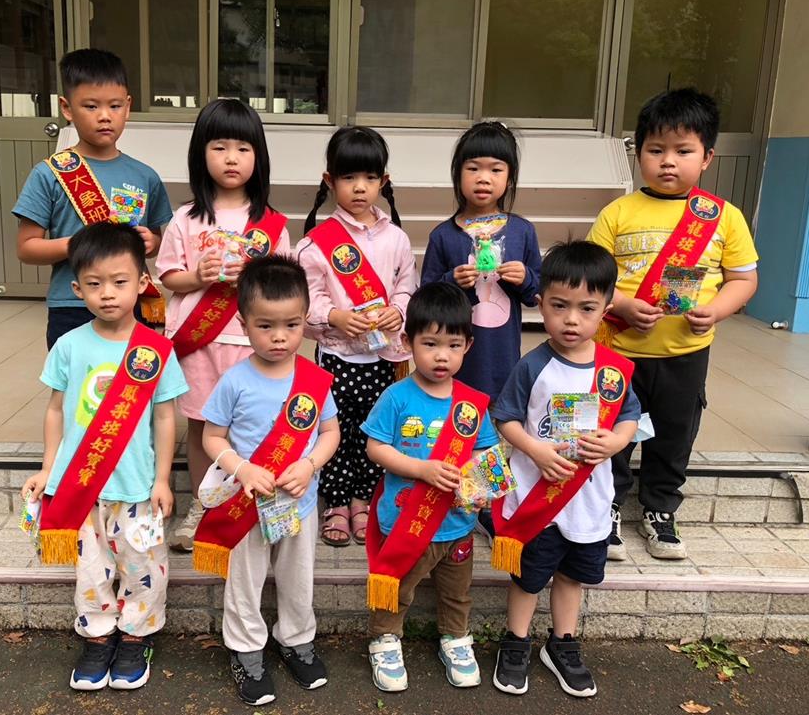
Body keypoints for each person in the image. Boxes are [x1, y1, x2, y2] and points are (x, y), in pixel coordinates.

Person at [587, 88, 758, 561]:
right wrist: (622, 304)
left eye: (683, 151)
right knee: (610, 431)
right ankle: (608, 506)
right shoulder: (617, 212)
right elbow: (591, 280)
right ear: (638, 153)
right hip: (618, 351)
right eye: (655, 150)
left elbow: (744, 279)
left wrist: (717, 310)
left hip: (685, 354)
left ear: (707, 157)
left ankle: (660, 508)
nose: (667, 162)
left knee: (674, 433)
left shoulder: (724, 217)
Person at [20, 222, 188, 691]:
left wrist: (162, 479)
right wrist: (48, 469)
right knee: (91, 569)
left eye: (119, 281)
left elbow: (165, 418)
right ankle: (98, 635)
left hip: (136, 484)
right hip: (81, 485)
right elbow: (56, 410)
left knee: (143, 565)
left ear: (143, 282)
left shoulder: (156, 350)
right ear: (77, 289)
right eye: (94, 284)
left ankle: (136, 636)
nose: (107, 294)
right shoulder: (69, 346)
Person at [490, 241, 639, 698]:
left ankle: (562, 644)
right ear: (541, 304)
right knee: (527, 578)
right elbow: (505, 418)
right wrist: (535, 450)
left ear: (606, 310)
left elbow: (631, 417)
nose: (571, 319)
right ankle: (516, 642)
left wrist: (617, 441)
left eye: (586, 308)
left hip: (587, 503)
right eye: (559, 306)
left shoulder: (613, 372)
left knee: (572, 577)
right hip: (537, 502)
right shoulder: (533, 366)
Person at [191, 255, 341, 706]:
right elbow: (211, 437)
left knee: (298, 579)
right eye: (265, 326)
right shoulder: (234, 381)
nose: (279, 337)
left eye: (291, 325)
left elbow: (330, 432)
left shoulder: (314, 380)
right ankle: (245, 649)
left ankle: (296, 639)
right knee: (245, 582)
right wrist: (243, 468)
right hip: (247, 506)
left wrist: (310, 464)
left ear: (305, 320)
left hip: (300, 502)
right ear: (243, 323)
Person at [156, 99, 291, 552]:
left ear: (258, 157)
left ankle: (250, 504)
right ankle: (204, 505)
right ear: (201, 153)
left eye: (243, 148)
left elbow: (284, 284)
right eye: (219, 147)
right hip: (198, 344)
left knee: (250, 425)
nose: (231, 158)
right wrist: (199, 277)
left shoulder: (270, 224)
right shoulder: (186, 218)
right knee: (201, 426)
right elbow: (169, 275)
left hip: (251, 345)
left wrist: (253, 276)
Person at [362, 282, 499, 693]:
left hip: (457, 523)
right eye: (430, 344)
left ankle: (455, 638)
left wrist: (481, 486)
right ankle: (385, 639)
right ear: (407, 343)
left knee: (457, 592)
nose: (442, 356)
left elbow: (486, 452)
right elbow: (375, 448)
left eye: (453, 345)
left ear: (468, 346)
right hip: (405, 521)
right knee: (397, 587)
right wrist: (421, 469)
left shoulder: (472, 403)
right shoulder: (397, 397)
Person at [295, 126, 416, 548]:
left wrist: (397, 310)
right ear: (330, 181)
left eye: (369, 177)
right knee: (336, 429)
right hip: (337, 355)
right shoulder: (315, 244)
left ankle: (365, 498)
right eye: (348, 178)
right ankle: (336, 501)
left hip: (384, 358)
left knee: (375, 430)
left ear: (384, 181)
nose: (359, 187)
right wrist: (334, 316)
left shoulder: (397, 238)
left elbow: (407, 285)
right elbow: (306, 300)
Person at [13, 48, 172, 349]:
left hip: (130, 302)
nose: (104, 116)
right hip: (72, 304)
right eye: (90, 106)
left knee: (131, 378)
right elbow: (26, 248)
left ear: (128, 107)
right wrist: (81, 243)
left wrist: (151, 242)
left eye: (114, 106)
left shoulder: (145, 176)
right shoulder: (49, 174)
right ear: (67, 108)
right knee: (76, 379)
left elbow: (157, 241)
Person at [420, 121, 542, 416]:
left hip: (503, 360)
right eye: (473, 168)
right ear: (457, 174)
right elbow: (425, 299)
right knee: (453, 430)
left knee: (496, 434)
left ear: (510, 178)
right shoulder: (443, 235)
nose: (483, 178)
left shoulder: (522, 231)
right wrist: (451, 281)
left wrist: (525, 277)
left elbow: (538, 294)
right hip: (452, 364)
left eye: (496, 170)